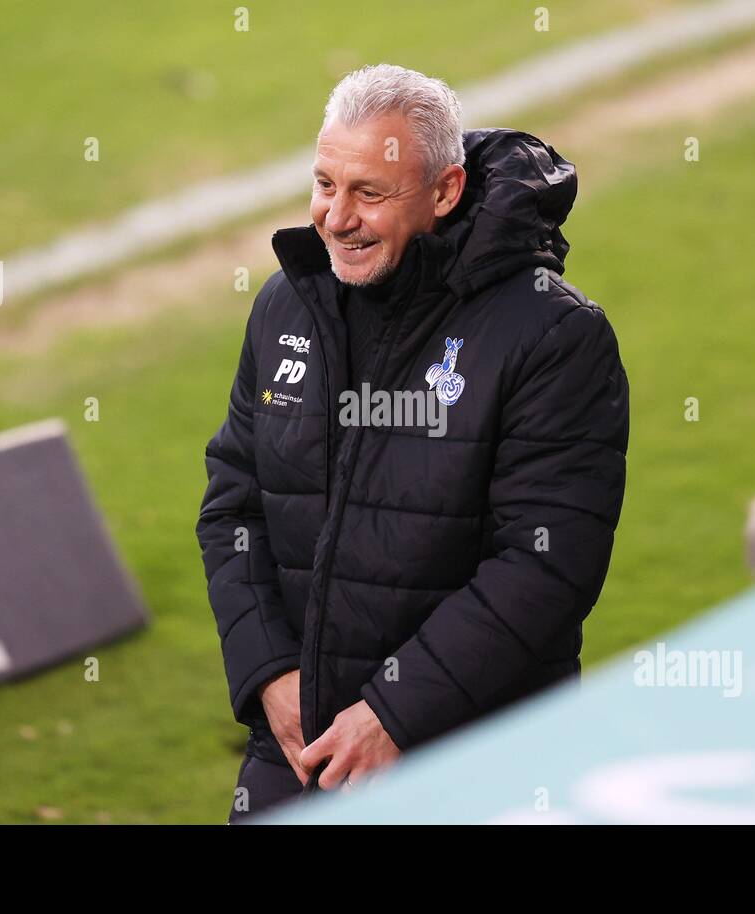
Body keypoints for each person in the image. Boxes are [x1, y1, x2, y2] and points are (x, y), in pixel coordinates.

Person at [196, 63, 629, 823]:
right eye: (326, 184)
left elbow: (546, 561)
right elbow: (233, 503)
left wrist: (394, 714)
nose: (336, 217)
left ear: (445, 192)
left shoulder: (553, 335)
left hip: (478, 760)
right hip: (300, 747)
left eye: (370, 192)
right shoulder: (284, 305)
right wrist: (269, 673)